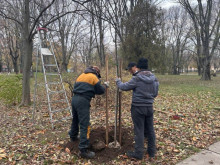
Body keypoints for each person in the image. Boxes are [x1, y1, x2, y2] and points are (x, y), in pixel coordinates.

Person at [116, 58, 159, 160]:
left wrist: (118, 81)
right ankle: (151, 152)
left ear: (138, 67)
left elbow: (124, 87)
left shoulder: (137, 78)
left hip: (138, 107)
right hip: (149, 107)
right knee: (150, 130)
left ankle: (138, 154)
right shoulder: (154, 78)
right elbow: (155, 93)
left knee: (139, 130)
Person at [68, 66, 108, 159]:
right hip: (83, 100)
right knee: (84, 124)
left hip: (74, 99)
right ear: (97, 73)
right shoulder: (94, 77)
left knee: (75, 119)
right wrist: (105, 85)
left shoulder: (81, 75)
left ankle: (73, 136)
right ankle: (83, 150)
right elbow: (100, 90)